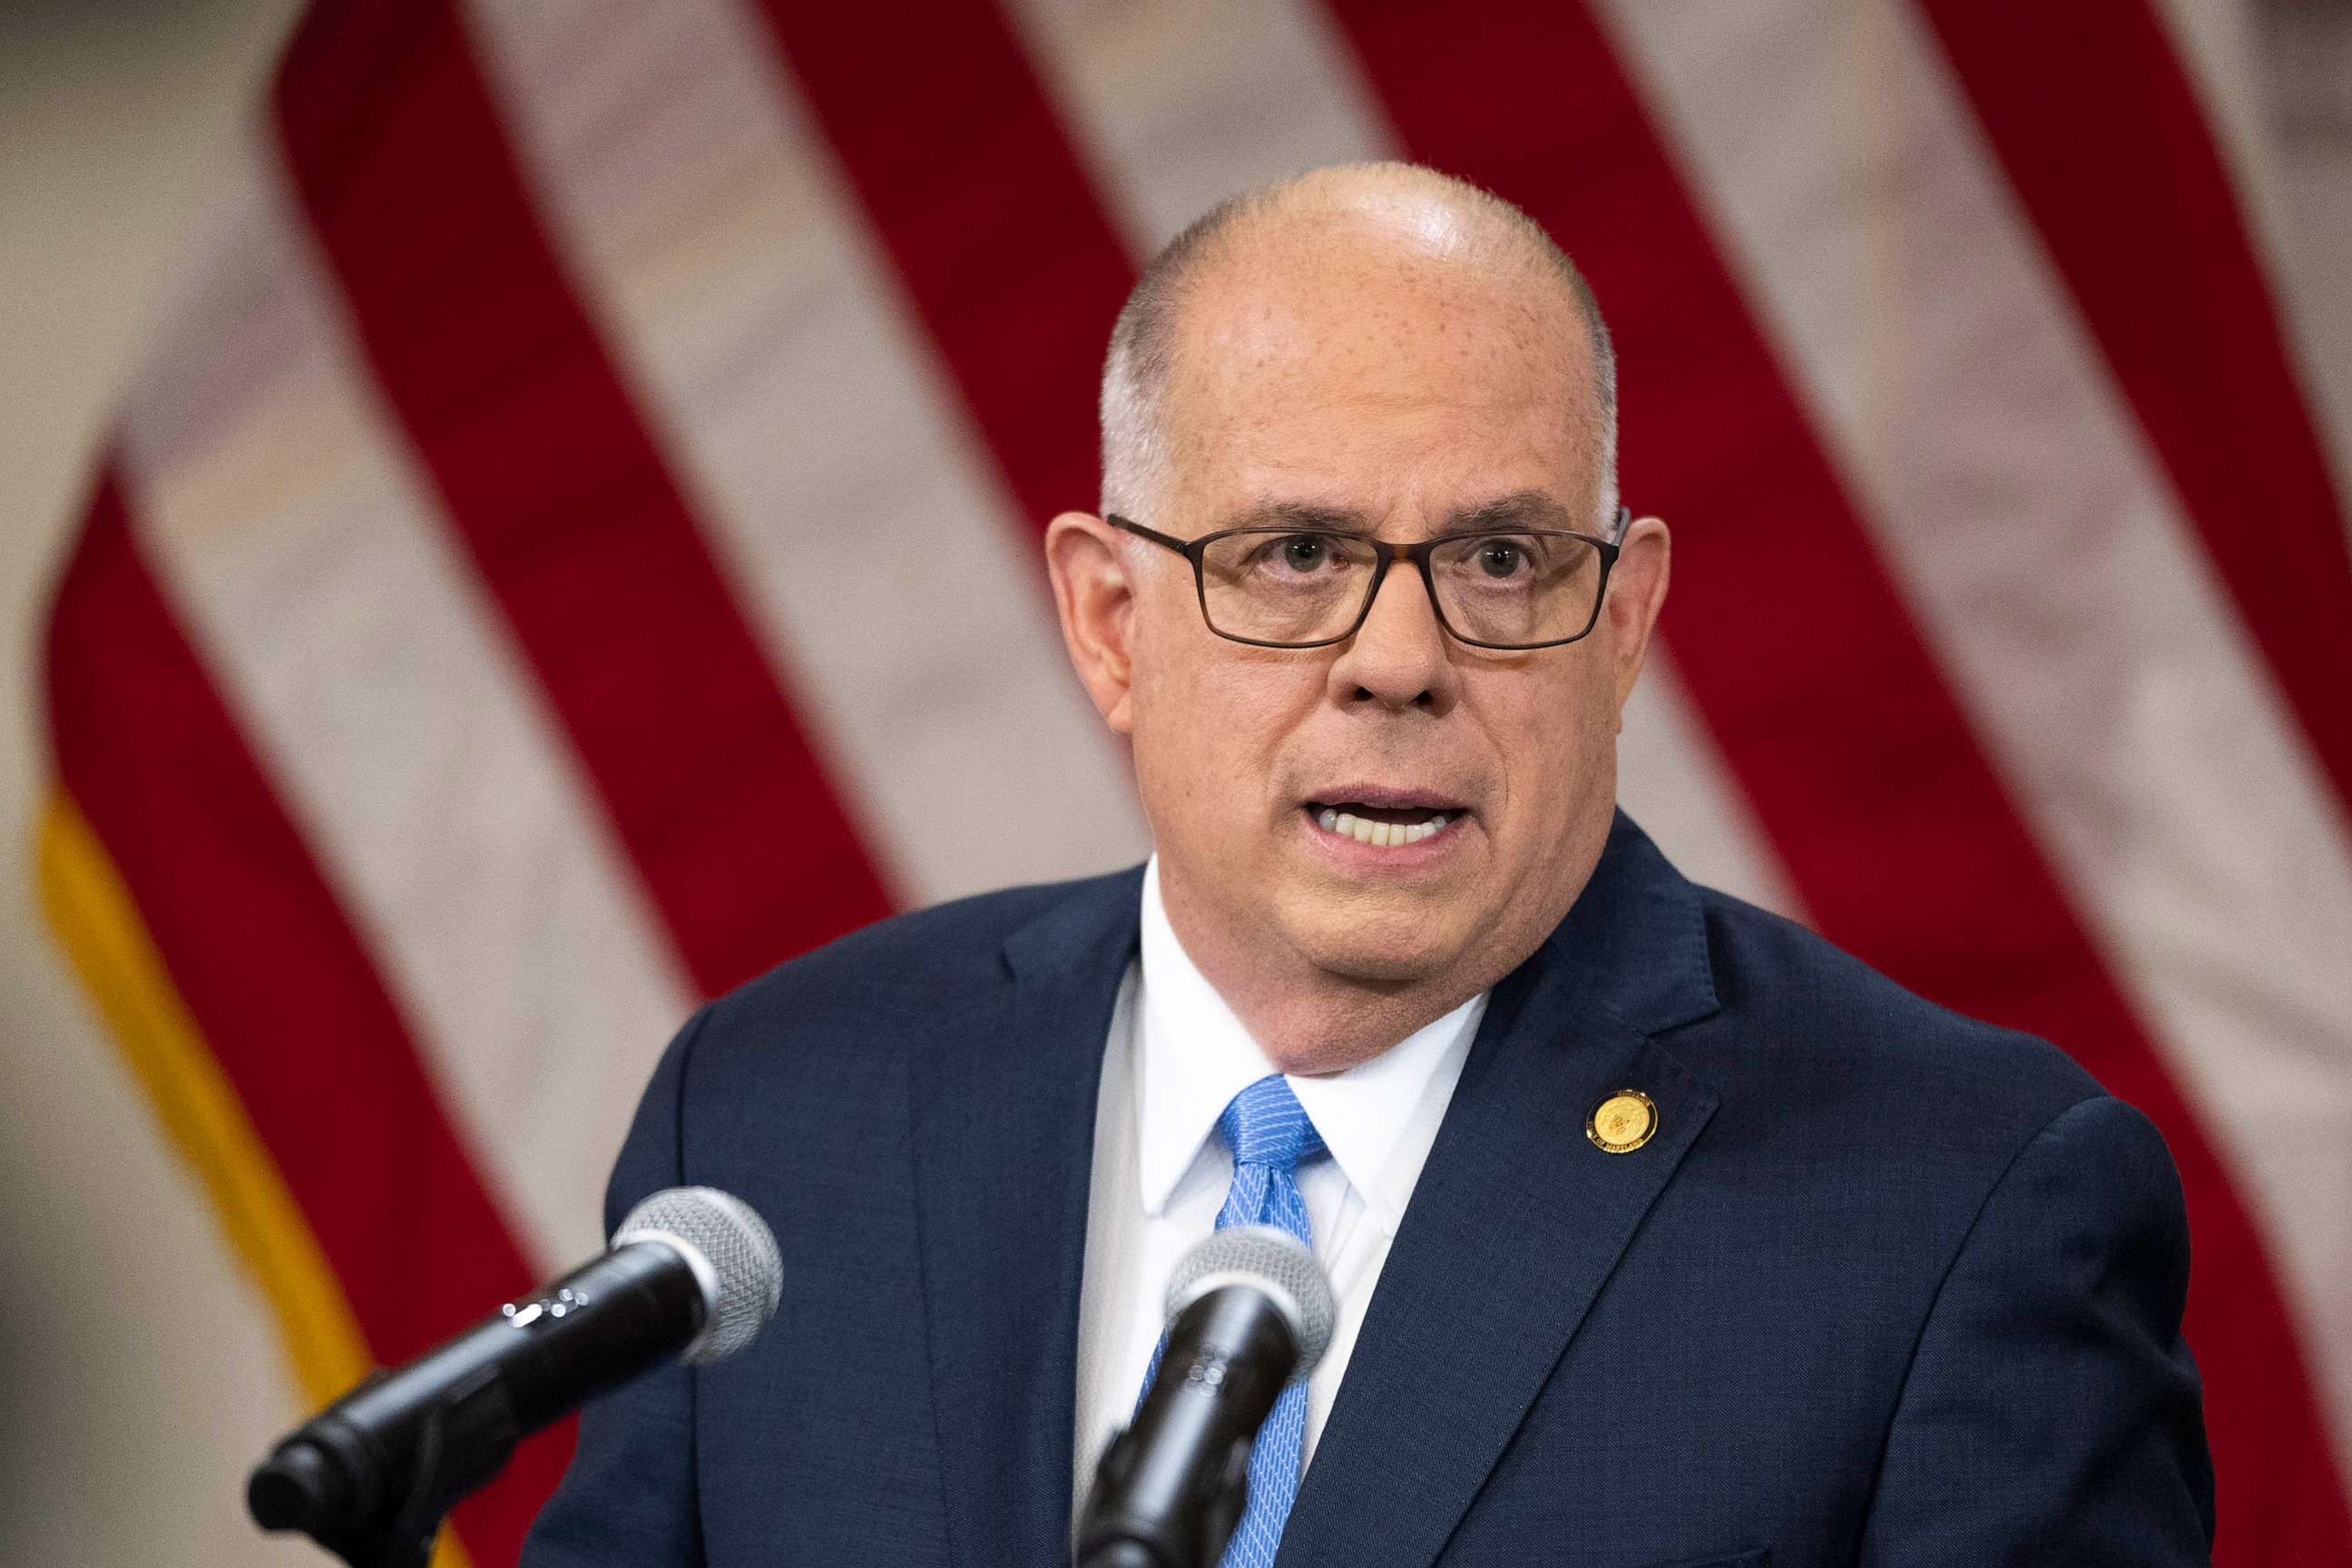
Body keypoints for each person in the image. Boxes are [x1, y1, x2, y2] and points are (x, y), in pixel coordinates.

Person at [523, 162, 2213, 1566]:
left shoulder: (1957, 1206)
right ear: (1112, 625)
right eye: (1295, 553)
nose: (1398, 657)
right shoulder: (771, 1122)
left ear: (1620, 628)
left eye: (1498, 557)